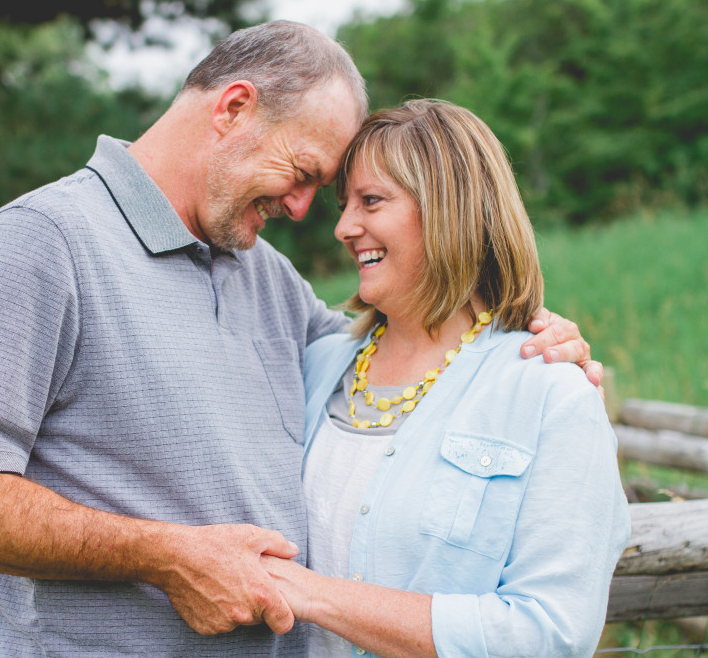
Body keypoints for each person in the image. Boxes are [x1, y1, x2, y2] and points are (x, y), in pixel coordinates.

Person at [0, 23, 600, 657]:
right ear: (233, 108)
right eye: (303, 175)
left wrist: (532, 336)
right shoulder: (48, 242)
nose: (305, 210)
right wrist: (165, 555)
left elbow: (412, 349)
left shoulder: (265, 274)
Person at [260, 99, 630, 658]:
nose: (343, 227)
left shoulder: (550, 392)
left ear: (449, 211)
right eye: (344, 204)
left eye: (372, 201)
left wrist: (314, 596)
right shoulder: (316, 365)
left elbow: (551, 632)